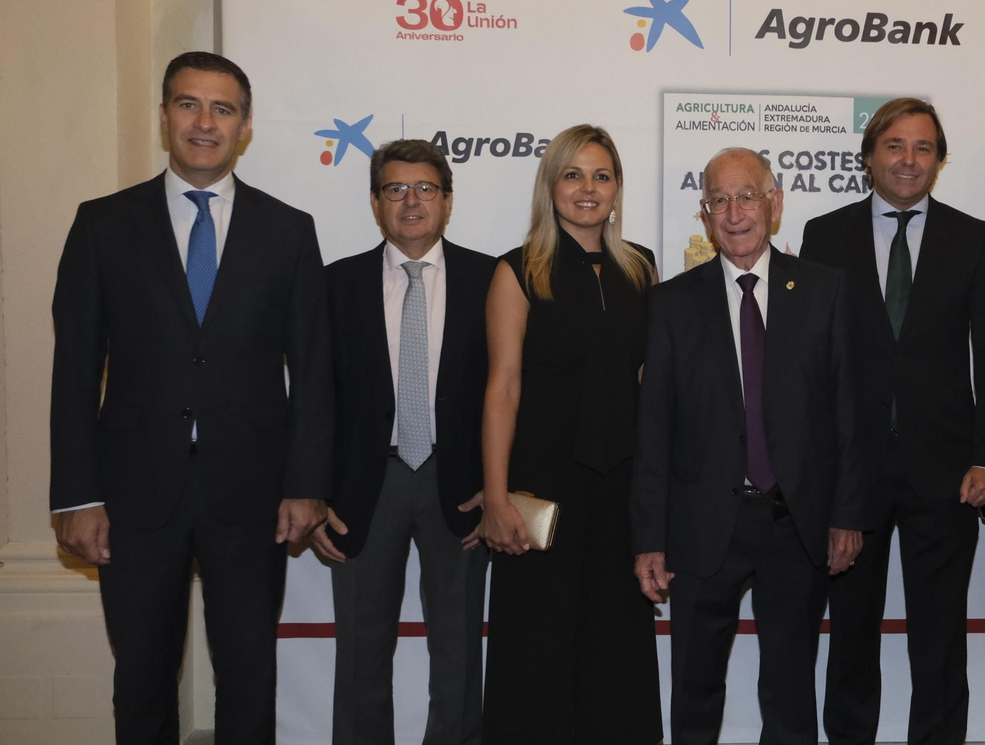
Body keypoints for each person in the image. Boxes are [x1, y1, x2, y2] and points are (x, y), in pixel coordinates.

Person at [50, 51, 333, 743]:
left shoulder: (288, 230)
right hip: (134, 495)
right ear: (164, 116)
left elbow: (316, 369)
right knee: (142, 673)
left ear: (245, 126)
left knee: (248, 675)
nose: (204, 122)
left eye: (223, 108)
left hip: (254, 495)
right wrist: (75, 494)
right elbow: (75, 371)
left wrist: (306, 483)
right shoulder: (102, 224)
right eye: (188, 104)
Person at [632, 146, 869, 745]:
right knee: (694, 687)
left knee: (790, 692)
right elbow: (653, 429)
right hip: (700, 524)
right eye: (718, 200)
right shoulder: (670, 305)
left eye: (747, 196)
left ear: (775, 204)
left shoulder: (825, 291)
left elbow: (847, 414)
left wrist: (847, 515)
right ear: (705, 214)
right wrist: (649, 540)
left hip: (798, 522)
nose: (734, 212)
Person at [800, 97, 985, 745]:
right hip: (850, 477)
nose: (908, 159)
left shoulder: (971, 237)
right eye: (895, 145)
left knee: (940, 640)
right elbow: (808, 363)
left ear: (939, 161)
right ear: (869, 156)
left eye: (923, 148)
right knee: (852, 636)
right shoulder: (824, 234)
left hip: (947, 475)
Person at [477, 125, 662, 744]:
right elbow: (502, 388)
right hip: (542, 491)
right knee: (536, 650)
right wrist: (497, 497)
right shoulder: (517, 271)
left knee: (617, 646)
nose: (588, 188)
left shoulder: (642, 269)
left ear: (616, 188)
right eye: (573, 174)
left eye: (601, 175)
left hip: (622, 491)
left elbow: (650, 384)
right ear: (550, 185)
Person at [310, 139, 495, 745]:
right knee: (361, 653)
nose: (411, 201)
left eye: (425, 189)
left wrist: (496, 490)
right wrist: (312, 495)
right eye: (395, 189)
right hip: (366, 487)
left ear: (447, 201)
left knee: (459, 652)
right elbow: (315, 399)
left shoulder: (491, 278)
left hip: (461, 486)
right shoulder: (335, 285)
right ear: (374, 201)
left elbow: (514, 391)